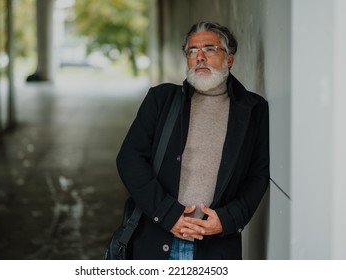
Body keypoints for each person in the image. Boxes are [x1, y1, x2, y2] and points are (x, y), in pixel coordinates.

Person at [116, 21, 270, 260]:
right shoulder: (161, 100)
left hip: (216, 248)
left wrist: (228, 219)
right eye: (192, 51)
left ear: (229, 59)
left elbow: (258, 174)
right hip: (156, 241)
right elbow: (129, 159)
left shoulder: (253, 109)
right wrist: (167, 214)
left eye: (210, 49)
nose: (200, 57)